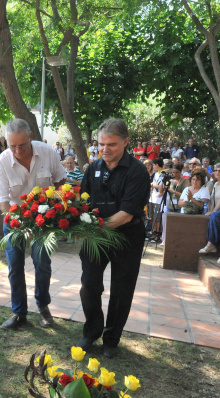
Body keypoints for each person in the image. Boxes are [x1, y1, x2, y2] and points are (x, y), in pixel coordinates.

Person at [77, 118, 149, 358]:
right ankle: (91, 331)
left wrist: (96, 227)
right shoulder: (93, 168)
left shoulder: (138, 172)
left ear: (126, 142)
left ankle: (111, 339)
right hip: (95, 238)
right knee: (89, 284)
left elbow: (126, 215)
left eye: (112, 144)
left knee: (122, 289)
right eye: (101, 144)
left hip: (127, 236)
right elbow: (83, 203)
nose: (105, 149)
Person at [0, 118, 67, 330]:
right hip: (14, 219)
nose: (17, 150)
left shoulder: (48, 153)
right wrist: (20, 223)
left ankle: (43, 307)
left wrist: (58, 206)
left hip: (43, 220)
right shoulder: (2, 162)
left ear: (31, 138)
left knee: (42, 263)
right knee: (15, 266)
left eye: (22, 145)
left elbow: (61, 182)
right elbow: (3, 203)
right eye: (12, 146)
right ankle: (19, 313)